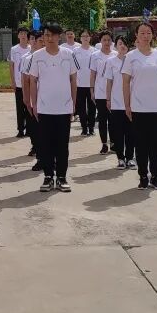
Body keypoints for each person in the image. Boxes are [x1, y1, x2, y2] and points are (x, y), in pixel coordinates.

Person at [122, 21, 157, 191]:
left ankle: (155, 176)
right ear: (136, 35)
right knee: (141, 144)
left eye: (148, 33)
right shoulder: (131, 56)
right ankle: (143, 176)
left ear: (153, 36)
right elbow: (125, 82)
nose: (145, 36)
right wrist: (127, 105)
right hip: (138, 108)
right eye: (142, 33)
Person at [29, 22, 78, 192]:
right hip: (44, 108)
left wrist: (73, 103)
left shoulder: (68, 54)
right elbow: (33, 81)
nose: (49, 38)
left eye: (52, 35)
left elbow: (73, 80)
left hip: (64, 108)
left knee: (62, 145)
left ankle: (62, 177)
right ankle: (48, 176)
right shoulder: (37, 56)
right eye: (46, 35)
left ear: (59, 36)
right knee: (46, 145)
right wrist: (34, 104)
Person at [103, 36, 134, 169]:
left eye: (125, 44)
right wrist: (108, 99)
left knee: (131, 132)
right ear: (116, 46)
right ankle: (120, 158)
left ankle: (130, 158)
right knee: (118, 132)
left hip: (132, 102)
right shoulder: (111, 61)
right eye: (120, 43)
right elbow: (109, 82)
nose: (123, 46)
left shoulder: (133, 60)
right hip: (116, 103)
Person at [20, 31, 44, 169]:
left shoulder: (49, 57)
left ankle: (47, 158)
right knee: (34, 129)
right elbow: (25, 80)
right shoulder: (27, 59)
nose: (36, 42)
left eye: (39, 40)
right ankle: (39, 155)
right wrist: (26, 99)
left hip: (48, 100)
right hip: (33, 100)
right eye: (33, 39)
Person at [89, 30, 114, 154]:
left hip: (114, 93)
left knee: (113, 120)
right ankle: (104, 144)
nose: (107, 42)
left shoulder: (116, 54)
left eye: (109, 40)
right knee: (103, 120)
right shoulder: (95, 55)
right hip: (100, 92)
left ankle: (113, 143)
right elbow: (93, 74)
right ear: (100, 41)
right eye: (104, 40)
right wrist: (92, 90)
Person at [8, 27, 31, 138]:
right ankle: (21, 129)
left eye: (25, 33)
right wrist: (13, 81)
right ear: (18, 36)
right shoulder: (14, 49)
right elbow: (11, 66)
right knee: (20, 107)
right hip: (18, 83)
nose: (23, 35)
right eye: (21, 33)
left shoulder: (31, 48)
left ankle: (29, 129)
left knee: (29, 106)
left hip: (30, 83)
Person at [73, 30, 96, 136]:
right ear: (80, 38)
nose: (85, 38)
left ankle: (91, 128)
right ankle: (84, 128)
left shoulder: (94, 51)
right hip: (79, 84)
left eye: (87, 36)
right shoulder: (75, 51)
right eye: (83, 36)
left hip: (92, 85)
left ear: (90, 38)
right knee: (81, 108)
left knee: (92, 108)